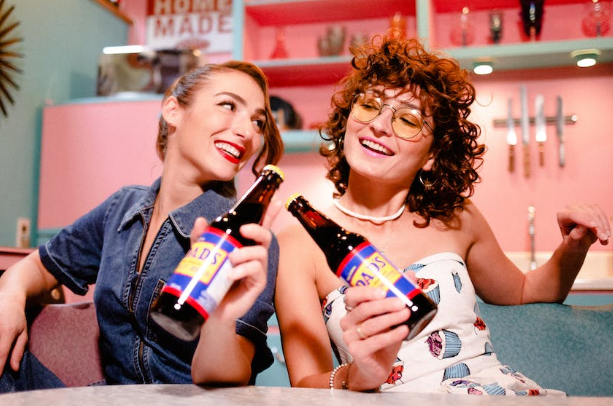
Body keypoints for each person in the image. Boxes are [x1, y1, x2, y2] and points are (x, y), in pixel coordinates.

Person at [275, 35, 611, 395]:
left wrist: (574, 246)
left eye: (408, 120)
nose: (380, 125)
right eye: (370, 105)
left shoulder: (457, 217)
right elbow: (306, 384)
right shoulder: (299, 243)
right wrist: (359, 376)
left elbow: (526, 291)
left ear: (432, 155)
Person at [0, 61, 284, 392]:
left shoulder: (247, 238)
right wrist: (9, 296)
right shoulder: (122, 209)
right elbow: (41, 265)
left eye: (258, 122)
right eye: (228, 105)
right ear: (173, 110)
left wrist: (220, 319)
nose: (248, 131)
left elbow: (228, 378)